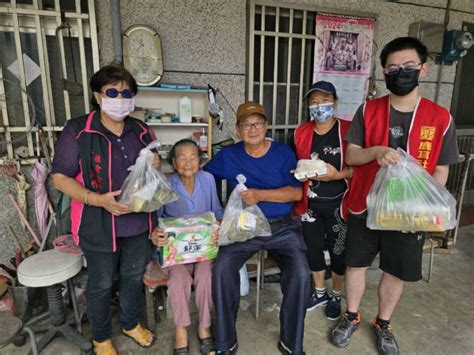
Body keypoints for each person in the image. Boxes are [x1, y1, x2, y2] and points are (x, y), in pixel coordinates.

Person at [329, 37, 460, 355]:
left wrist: (424, 211)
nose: (400, 72)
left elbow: (441, 170)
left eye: (408, 66)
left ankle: (383, 324)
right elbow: (353, 156)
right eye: (392, 68)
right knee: (355, 265)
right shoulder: (368, 110)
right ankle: (351, 315)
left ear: (423, 69)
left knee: (395, 270)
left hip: (409, 213)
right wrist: (375, 151)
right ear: (384, 73)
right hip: (364, 205)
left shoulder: (440, 118)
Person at [52, 66, 157, 354]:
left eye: (126, 93)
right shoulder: (78, 130)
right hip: (97, 221)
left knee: (133, 276)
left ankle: (130, 323)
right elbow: (60, 177)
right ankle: (101, 338)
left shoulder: (142, 129)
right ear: (97, 95)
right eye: (112, 92)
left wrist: (156, 164)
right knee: (100, 283)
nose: (120, 98)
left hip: (137, 220)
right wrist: (98, 200)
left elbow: (153, 165)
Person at [204, 102, 310, 355]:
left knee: (301, 274)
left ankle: (291, 344)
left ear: (266, 126)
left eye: (258, 123)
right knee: (221, 270)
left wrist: (260, 195)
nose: (252, 129)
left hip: (282, 227)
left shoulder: (283, 153)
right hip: (242, 227)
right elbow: (202, 177)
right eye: (246, 125)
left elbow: (296, 192)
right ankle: (224, 343)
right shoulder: (228, 155)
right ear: (238, 130)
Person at [150, 139, 224, 355]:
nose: (188, 162)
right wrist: (156, 235)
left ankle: (204, 327)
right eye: (182, 157)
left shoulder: (208, 179)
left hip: (203, 251)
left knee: (206, 276)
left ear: (200, 161)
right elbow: (157, 222)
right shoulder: (164, 185)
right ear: (173, 162)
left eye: (193, 156)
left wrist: (219, 225)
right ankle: (181, 329)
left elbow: (216, 212)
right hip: (176, 254)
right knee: (179, 279)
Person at [292, 81, 352, 320]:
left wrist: (338, 174)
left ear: (335, 103)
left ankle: (336, 294)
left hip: (340, 204)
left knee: (339, 252)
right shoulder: (301, 132)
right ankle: (319, 292)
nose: (319, 107)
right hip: (311, 205)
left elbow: (361, 169)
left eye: (325, 101)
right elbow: (298, 164)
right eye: (314, 102)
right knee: (313, 249)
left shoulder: (348, 130)